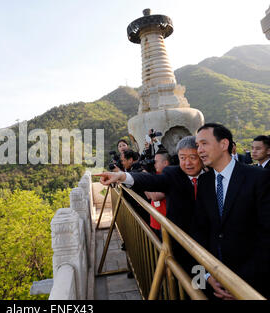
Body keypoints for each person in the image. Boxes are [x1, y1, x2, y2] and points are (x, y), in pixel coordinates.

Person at [95, 136, 205, 273]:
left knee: (201, 288)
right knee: (184, 284)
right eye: (182, 158)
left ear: (202, 156)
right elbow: (150, 180)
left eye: (192, 157)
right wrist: (122, 176)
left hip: (206, 251)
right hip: (179, 248)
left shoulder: (213, 177)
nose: (187, 163)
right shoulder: (173, 174)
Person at [194, 123, 270, 299]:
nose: (199, 150)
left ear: (223, 144)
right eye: (198, 145)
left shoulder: (258, 178)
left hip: (252, 283)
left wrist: (240, 283)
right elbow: (199, 230)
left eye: (204, 143)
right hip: (214, 281)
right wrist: (205, 276)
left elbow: (266, 236)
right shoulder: (204, 182)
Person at [145, 150, 171, 239]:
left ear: (165, 163)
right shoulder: (155, 174)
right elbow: (149, 196)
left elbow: (155, 197)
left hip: (165, 224)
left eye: (156, 162)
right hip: (154, 220)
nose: (154, 164)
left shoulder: (169, 177)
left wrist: (145, 178)